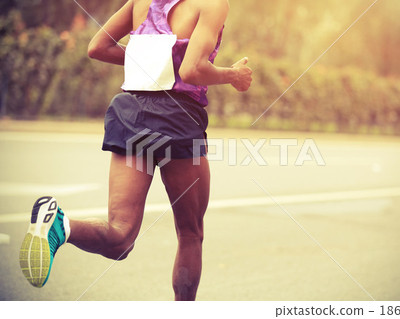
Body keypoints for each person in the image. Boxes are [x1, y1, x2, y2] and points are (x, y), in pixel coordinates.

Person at [19, 0, 252, 301]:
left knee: (121, 237)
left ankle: (61, 225)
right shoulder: (211, 4)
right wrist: (232, 75)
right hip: (177, 117)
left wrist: (154, 61)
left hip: (131, 113)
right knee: (190, 233)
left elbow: (97, 47)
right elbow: (192, 70)